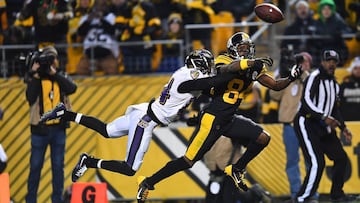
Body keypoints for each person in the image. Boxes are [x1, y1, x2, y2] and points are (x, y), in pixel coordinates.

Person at [135, 31, 302, 202]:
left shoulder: (254, 66)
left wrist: (290, 78)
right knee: (188, 160)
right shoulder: (224, 59)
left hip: (229, 118)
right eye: (242, 48)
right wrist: (251, 62)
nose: (245, 51)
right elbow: (229, 68)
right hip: (213, 117)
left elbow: (274, 85)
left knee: (263, 138)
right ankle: (148, 182)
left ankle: (237, 168)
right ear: (233, 49)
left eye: (247, 48)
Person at [39, 49, 215, 182]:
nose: (210, 68)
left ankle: (66, 114)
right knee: (130, 169)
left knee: (107, 130)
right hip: (146, 121)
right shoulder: (192, 76)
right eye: (208, 64)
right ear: (198, 64)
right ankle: (89, 162)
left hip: (144, 111)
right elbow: (210, 83)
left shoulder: (184, 73)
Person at [293, 50, 354, 202]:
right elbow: (306, 102)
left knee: (341, 158)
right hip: (307, 123)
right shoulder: (314, 77)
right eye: (329, 61)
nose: (332, 64)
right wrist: (323, 117)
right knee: (317, 163)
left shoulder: (334, 84)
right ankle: (302, 198)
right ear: (322, 62)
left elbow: (334, 109)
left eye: (334, 61)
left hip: (324, 127)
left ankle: (337, 194)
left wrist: (343, 127)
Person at [24, 45, 77, 203]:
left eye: (52, 59)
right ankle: (31, 200)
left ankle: (57, 200)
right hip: (40, 130)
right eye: (47, 59)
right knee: (35, 167)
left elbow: (72, 88)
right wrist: (34, 74)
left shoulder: (60, 76)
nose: (50, 62)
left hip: (58, 129)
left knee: (58, 168)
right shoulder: (36, 78)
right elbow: (30, 98)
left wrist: (55, 74)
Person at [269, 52, 316, 201]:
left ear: (310, 64)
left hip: (308, 125)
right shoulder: (289, 79)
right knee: (292, 161)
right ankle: (296, 193)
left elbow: (313, 90)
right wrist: (286, 76)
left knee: (311, 160)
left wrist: (302, 74)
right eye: (299, 62)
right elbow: (273, 95)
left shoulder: (312, 78)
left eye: (305, 62)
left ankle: (311, 193)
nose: (302, 64)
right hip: (289, 126)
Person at [312, 0, 352, 66]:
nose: (326, 11)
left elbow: (348, 33)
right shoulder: (317, 21)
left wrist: (340, 33)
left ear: (332, 10)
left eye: (328, 9)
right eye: (324, 9)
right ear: (320, 10)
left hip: (337, 48)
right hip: (322, 49)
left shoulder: (338, 20)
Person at [339, 56, 360, 121]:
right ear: (351, 69)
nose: (358, 71)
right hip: (346, 120)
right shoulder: (344, 85)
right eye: (355, 68)